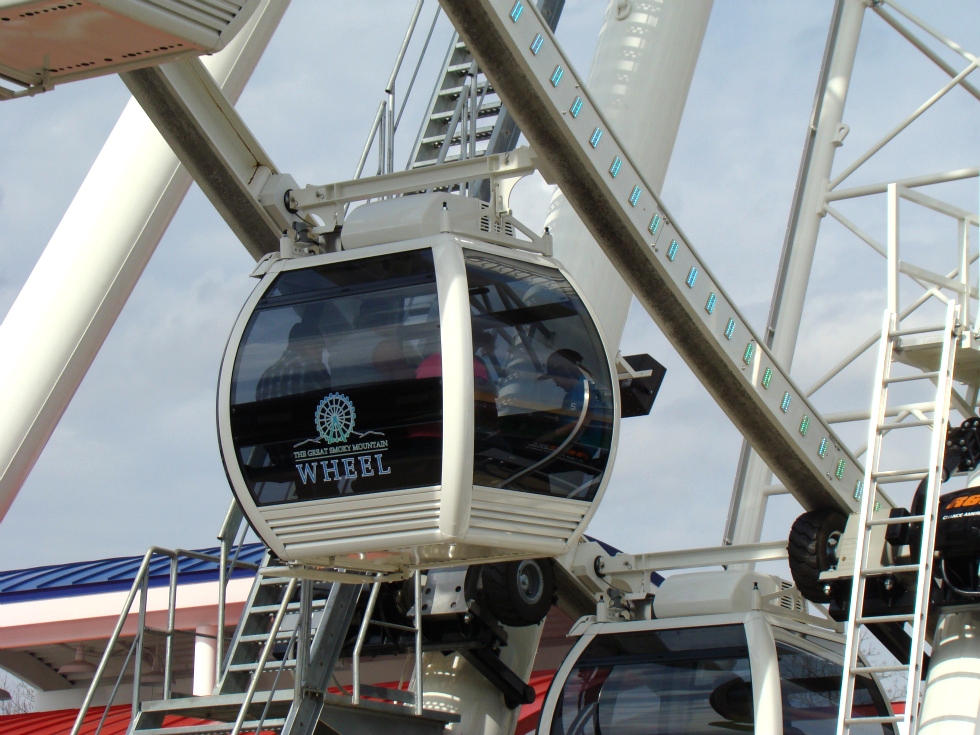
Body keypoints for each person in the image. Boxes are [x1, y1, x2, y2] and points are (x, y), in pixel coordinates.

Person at [256, 319, 330, 401]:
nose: (320, 354)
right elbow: (330, 404)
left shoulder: (267, 375)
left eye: (321, 348)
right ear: (298, 347)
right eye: (315, 348)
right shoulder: (312, 367)